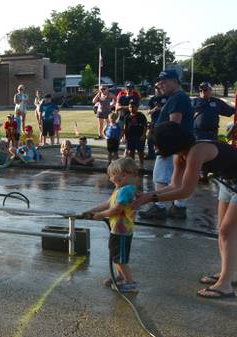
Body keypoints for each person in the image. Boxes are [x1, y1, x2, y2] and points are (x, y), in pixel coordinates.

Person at [135, 122, 237, 299]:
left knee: (227, 232)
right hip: (227, 184)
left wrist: (151, 198)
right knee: (222, 231)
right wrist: (148, 194)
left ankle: (225, 285)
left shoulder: (197, 151)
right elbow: (175, 185)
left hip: (234, 183)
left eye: (157, 143)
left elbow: (185, 191)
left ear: (170, 142)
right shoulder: (180, 156)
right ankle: (229, 274)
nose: (155, 147)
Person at [139, 70, 194, 220]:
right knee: (176, 177)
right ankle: (178, 207)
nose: (161, 86)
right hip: (178, 146)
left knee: (161, 177)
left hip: (170, 147)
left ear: (175, 81)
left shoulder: (177, 98)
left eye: (165, 82)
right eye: (160, 83)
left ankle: (159, 207)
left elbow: (173, 125)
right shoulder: (178, 97)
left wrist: (163, 146)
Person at [84, 157, 141, 293]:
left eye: (112, 176)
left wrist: (100, 215)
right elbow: (108, 203)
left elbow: (117, 209)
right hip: (117, 230)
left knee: (120, 258)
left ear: (124, 175)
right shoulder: (120, 190)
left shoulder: (126, 190)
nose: (111, 179)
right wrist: (92, 210)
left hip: (122, 231)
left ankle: (129, 283)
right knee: (116, 256)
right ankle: (121, 278)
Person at [123, 99, 148, 169]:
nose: (131, 108)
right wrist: (124, 136)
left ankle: (141, 165)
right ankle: (133, 165)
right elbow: (125, 127)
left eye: (133, 107)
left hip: (139, 136)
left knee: (140, 152)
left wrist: (143, 135)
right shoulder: (127, 116)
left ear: (136, 107)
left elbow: (145, 126)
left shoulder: (141, 115)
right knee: (131, 152)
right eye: (130, 107)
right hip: (130, 137)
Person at [145, 86, 165, 159]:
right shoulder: (153, 99)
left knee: (161, 139)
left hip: (164, 122)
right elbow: (148, 112)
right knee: (150, 138)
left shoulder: (166, 97)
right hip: (154, 122)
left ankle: (161, 154)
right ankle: (151, 154)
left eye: (160, 88)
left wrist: (161, 108)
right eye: (157, 88)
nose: (158, 90)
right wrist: (154, 109)